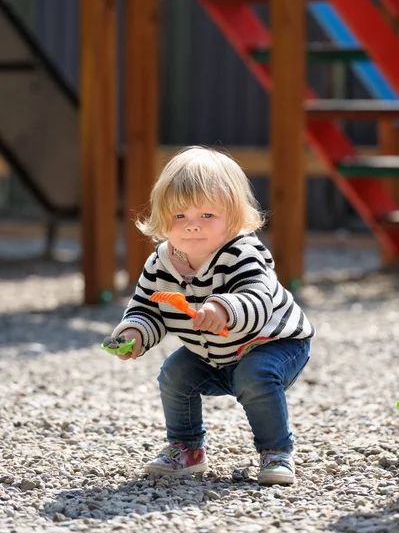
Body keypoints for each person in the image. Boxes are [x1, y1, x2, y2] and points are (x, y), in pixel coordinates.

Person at [111, 146, 314, 485]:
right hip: (212, 353)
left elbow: (257, 297)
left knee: (254, 376)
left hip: (273, 343)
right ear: (162, 218)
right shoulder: (161, 263)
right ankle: (186, 449)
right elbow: (147, 307)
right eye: (180, 216)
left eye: (206, 216)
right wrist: (135, 333)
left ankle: (276, 450)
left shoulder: (243, 253)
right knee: (174, 374)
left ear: (233, 217)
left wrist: (223, 307)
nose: (192, 226)